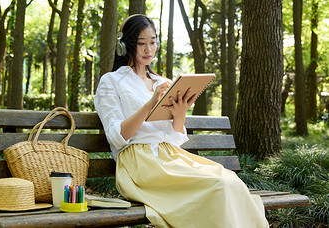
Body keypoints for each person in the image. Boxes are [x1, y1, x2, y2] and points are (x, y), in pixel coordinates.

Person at [94, 14, 269, 228]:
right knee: (217, 186)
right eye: (141, 43)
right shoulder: (111, 81)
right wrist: (151, 103)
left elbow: (175, 137)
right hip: (140, 163)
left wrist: (180, 113)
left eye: (153, 42)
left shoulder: (163, 82)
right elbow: (117, 137)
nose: (149, 49)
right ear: (125, 46)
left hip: (171, 156)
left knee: (231, 182)